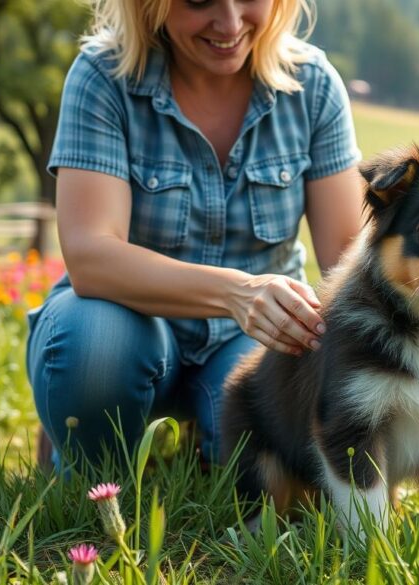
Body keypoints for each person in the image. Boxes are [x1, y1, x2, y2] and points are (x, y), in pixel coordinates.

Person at [27, 0, 363, 472]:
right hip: (127, 321)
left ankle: (206, 444)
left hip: (252, 340)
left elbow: (349, 262)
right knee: (93, 352)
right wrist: (237, 292)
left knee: (261, 459)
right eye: (198, 1)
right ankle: (86, 451)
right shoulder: (102, 76)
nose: (229, 24)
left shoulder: (312, 85)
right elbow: (90, 257)